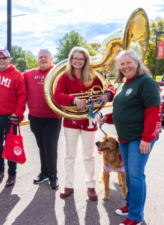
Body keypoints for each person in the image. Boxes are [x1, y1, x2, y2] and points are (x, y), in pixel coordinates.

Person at [98, 50, 161, 225]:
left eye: (129, 62)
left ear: (138, 63)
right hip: (125, 138)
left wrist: (147, 138)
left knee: (135, 175)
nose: (125, 66)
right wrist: (107, 118)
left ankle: (135, 216)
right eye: (122, 64)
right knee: (130, 173)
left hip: (139, 137)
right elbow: (122, 110)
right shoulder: (125, 84)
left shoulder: (146, 82)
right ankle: (130, 205)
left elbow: (154, 111)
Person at [54, 46, 115, 201]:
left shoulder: (94, 75)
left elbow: (110, 86)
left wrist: (107, 94)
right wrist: (74, 99)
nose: (78, 61)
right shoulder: (64, 76)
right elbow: (57, 96)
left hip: (89, 120)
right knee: (70, 155)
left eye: (81, 58)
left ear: (86, 60)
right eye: (75, 58)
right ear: (71, 59)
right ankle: (68, 185)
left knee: (89, 155)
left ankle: (91, 186)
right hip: (71, 120)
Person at [0, 49, 27, 187]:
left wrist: (18, 113)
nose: (1, 60)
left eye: (4, 57)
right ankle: (0, 170)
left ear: (9, 59)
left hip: (11, 116)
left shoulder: (16, 75)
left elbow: (22, 96)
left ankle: (12, 174)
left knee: (12, 144)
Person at [23, 49, 62, 189]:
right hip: (35, 118)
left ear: (51, 59)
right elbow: (17, 87)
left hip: (53, 118)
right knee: (41, 146)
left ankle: (53, 175)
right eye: (40, 57)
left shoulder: (58, 73)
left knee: (50, 147)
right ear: (37, 59)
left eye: (46, 57)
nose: (43, 59)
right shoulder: (28, 74)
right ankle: (44, 173)